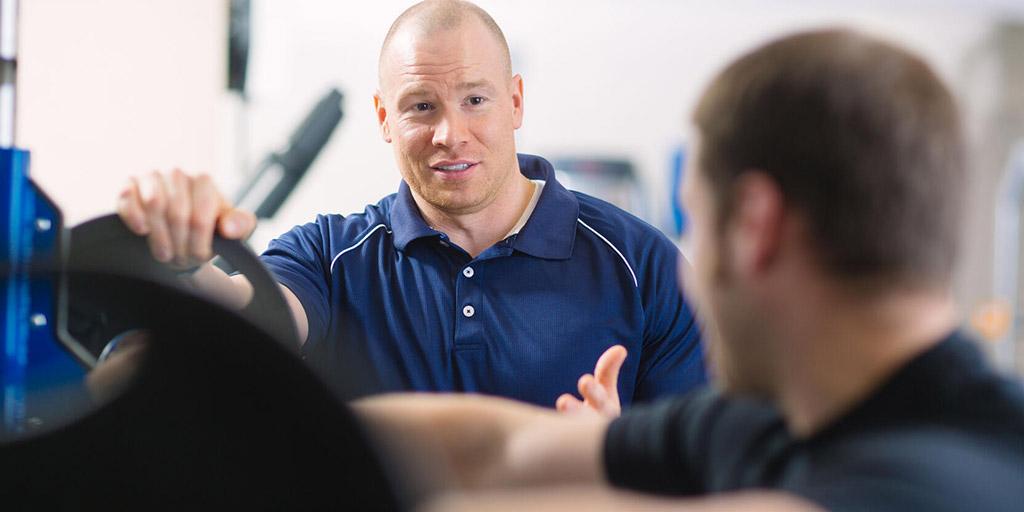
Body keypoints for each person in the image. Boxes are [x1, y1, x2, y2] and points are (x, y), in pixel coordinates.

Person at [353, 29, 1024, 511]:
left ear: (755, 227)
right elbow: (494, 451)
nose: (688, 271)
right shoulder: (783, 423)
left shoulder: (944, 482)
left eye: (696, 221)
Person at [114, 0, 705, 407]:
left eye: (475, 99)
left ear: (516, 102)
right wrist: (183, 257)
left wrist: (614, 460)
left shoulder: (644, 264)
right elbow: (256, 318)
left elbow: (709, 467)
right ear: (384, 119)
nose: (450, 132)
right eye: (421, 106)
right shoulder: (328, 255)